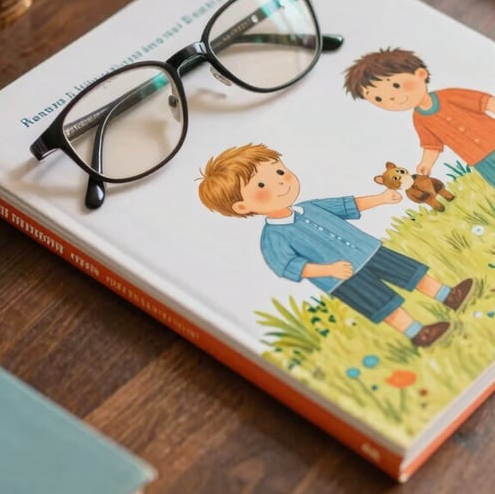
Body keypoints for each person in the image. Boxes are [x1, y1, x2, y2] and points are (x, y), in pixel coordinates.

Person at [197, 143, 473, 348]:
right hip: (342, 277)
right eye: (261, 183)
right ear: (243, 206)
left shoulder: (310, 207)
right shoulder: (272, 238)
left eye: (279, 171)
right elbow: (289, 266)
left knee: (410, 272)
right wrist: (326, 269)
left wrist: (380, 199)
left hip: (370, 250)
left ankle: (448, 295)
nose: (281, 180)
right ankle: (417, 332)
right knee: (382, 303)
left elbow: (348, 205)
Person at [344, 47, 495, 187]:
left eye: (396, 86)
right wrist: (426, 164)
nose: (392, 98)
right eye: (378, 99)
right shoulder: (419, 119)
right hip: (478, 159)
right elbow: (431, 145)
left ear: (421, 74)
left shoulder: (449, 96)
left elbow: (487, 102)